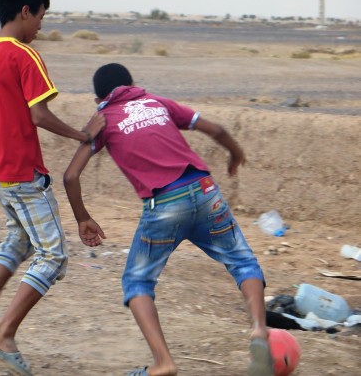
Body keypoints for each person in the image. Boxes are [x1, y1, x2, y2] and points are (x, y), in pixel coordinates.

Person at [63, 63, 273, 376]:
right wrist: (235, 153)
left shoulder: (102, 119)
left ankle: (164, 363)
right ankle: (259, 330)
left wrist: (83, 218)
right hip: (205, 190)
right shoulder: (158, 102)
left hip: (163, 204)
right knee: (243, 263)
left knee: (137, 282)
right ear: (133, 84)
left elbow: (70, 175)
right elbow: (217, 130)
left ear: (98, 99)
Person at [0, 0, 105, 376]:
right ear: (25, 11)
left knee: (18, 237)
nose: (41, 25)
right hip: (20, 172)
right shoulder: (24, 56)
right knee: (53, 256)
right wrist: (81, 134)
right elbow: (39, 114)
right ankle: (3, 333)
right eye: (40, 16)